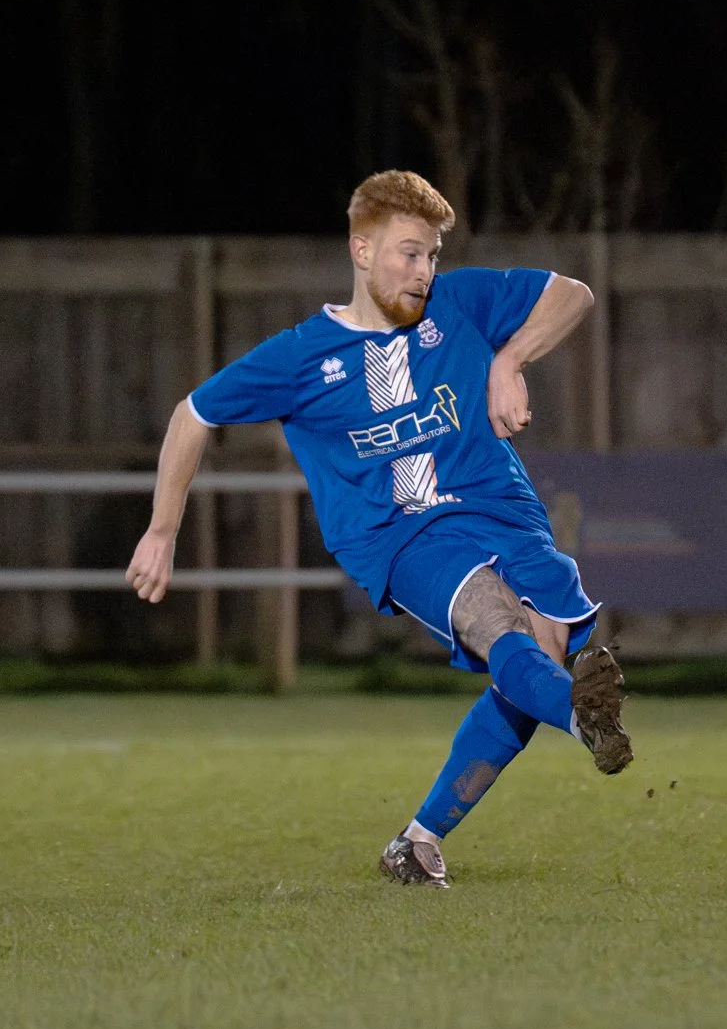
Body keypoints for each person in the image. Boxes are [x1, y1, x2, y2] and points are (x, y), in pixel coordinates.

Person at [127, 171, 630, 889]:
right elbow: (194, 413)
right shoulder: (302, 357)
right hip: (400, 536)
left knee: (539, 657)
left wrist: (509, 358)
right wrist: (162, 529)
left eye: (432, 255)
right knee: (496, 624)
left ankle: (419, 840)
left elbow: (572, 294)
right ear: (361, 250)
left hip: (501, 507)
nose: (424, 271)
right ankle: (584, 719)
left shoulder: (458, 304)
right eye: (408, 253)